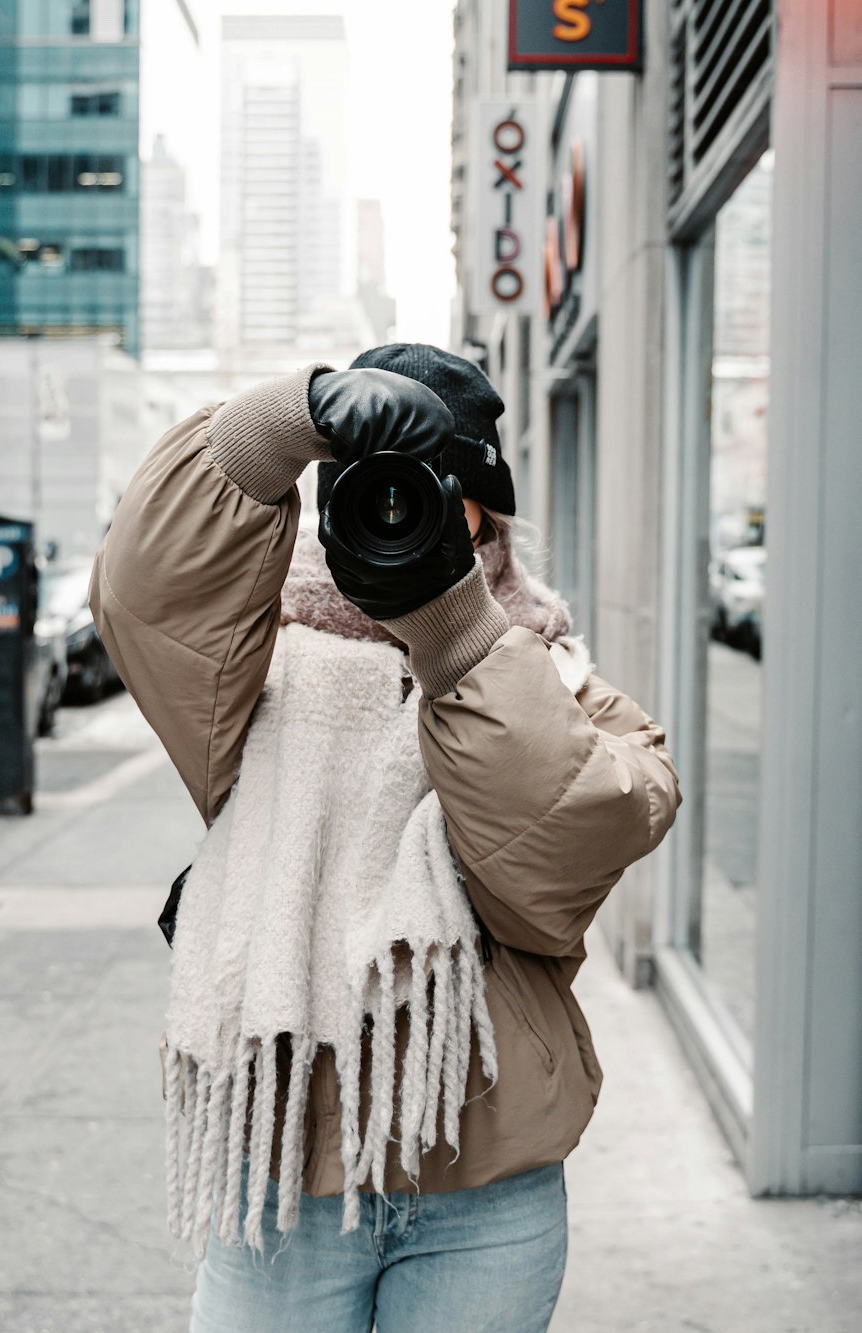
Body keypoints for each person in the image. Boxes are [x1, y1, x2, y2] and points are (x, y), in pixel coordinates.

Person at [90, 344, 680, 1333]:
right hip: (282, 1183)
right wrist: (284, 416)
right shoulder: (253, 670)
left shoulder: (556, 678)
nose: (402, 512)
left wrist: (457, 634)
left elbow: (567, 837)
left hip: (487, 1189)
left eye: (436, 493)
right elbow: (147, 595)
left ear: (481, 512)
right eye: (378, 488)